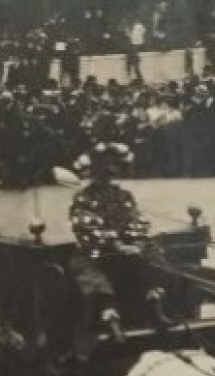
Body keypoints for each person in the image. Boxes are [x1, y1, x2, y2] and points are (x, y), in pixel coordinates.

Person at [66, 141, 165, 358]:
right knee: (91, 276)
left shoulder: (124, 196)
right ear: (93, 171)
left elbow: (137, 221)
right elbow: (88, 226)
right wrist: (117, 245)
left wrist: (136, 243)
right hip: (95, 252)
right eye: (102, 168)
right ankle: (111, 319)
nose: (107, 174)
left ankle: (156, 308)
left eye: (112, 168)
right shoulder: (83, 198)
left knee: (153, 257)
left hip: (127, 252)